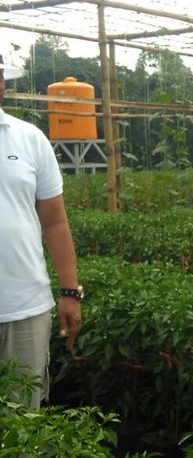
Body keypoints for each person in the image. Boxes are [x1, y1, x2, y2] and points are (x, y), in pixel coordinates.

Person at [0, 54, 83, 410]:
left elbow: (55, 222)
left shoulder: (29, 138)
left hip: (25, 307)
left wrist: (70, 291)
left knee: (22, 419)